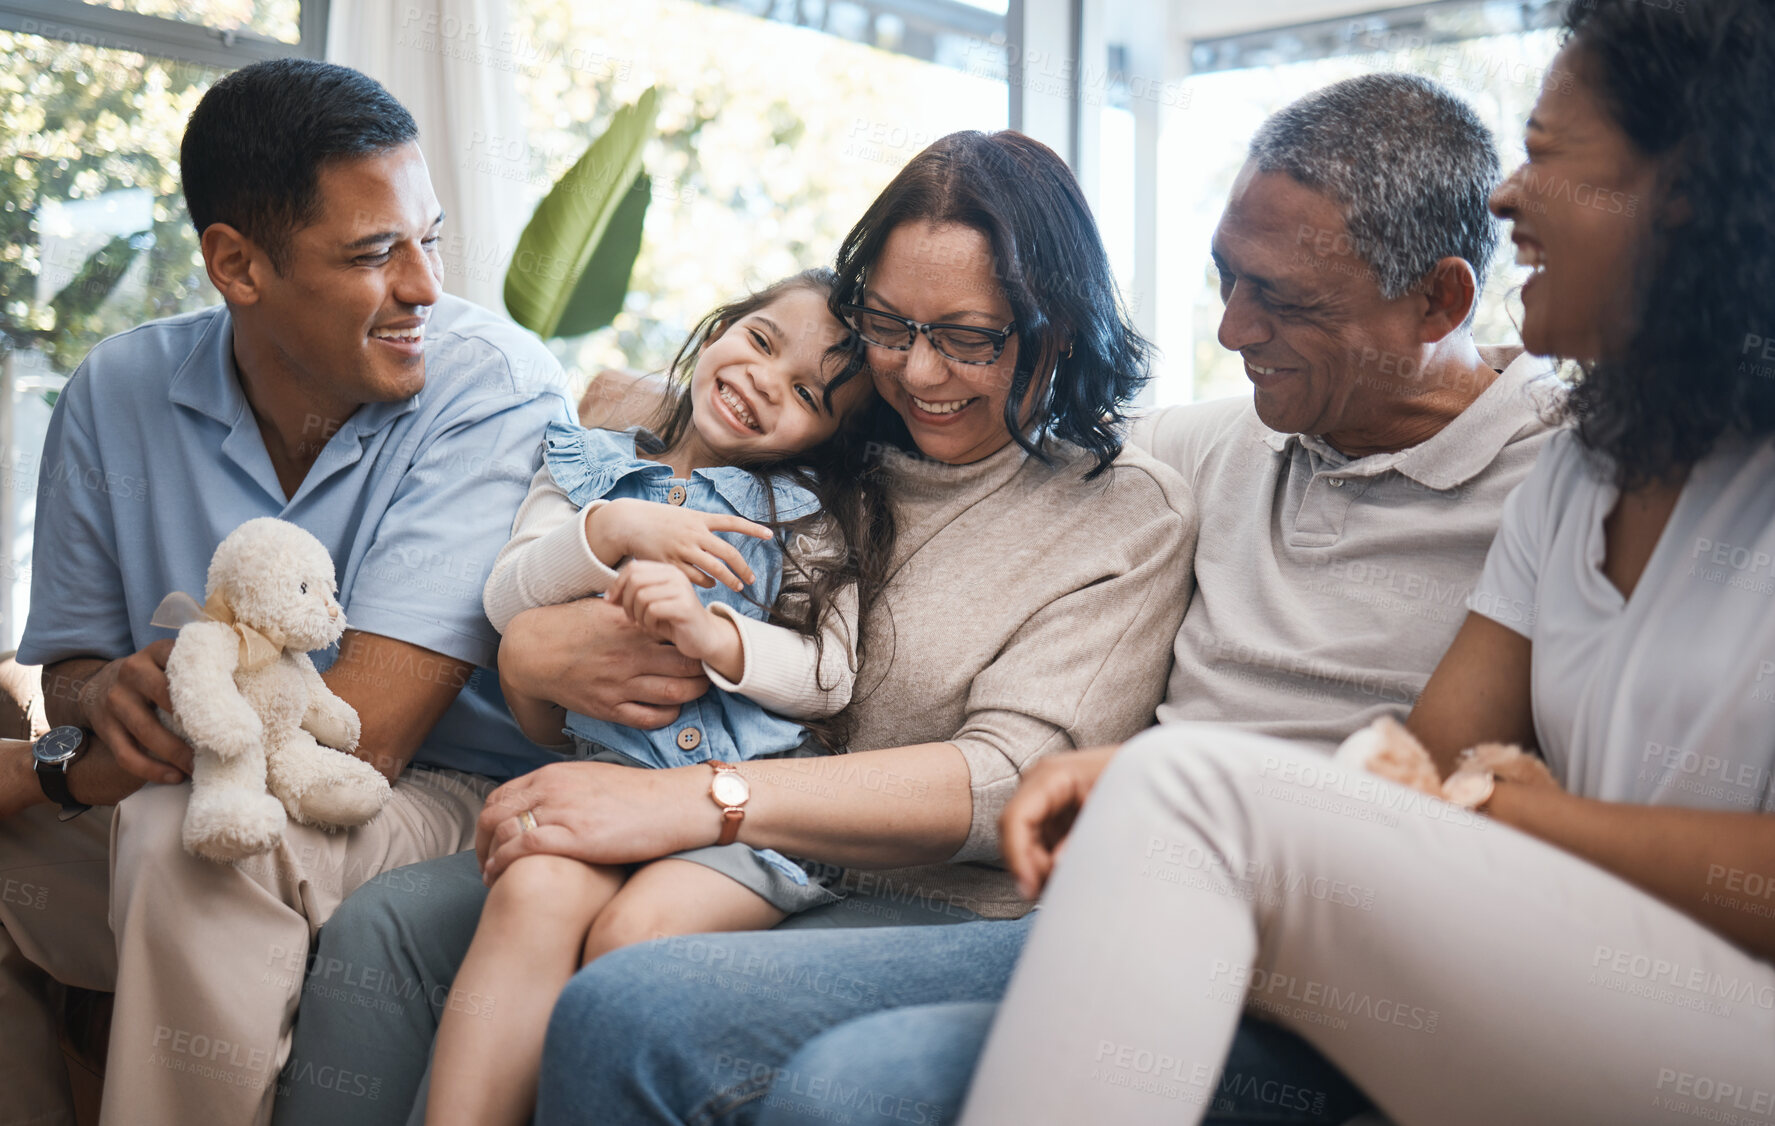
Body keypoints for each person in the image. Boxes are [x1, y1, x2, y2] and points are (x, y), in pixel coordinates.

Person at [536, 75, 1562, 1126]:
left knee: (831, 1085)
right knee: (596, 992)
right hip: (1127, 895)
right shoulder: (1243, 430)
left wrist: (712, 797)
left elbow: (1067, 528)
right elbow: (954, 443)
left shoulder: (1565, 476)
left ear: (1440, 300)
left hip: (1303, 947)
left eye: (1282, 299)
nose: (1231, 328)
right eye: (1223, 278)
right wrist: (621, 447)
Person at [272, 129, 1197, 1126]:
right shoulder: (819, 446)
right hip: (689, 823)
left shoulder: (1122, 511)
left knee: (636, 965)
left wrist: (703, 800)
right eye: (887, 325)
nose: (918, 371)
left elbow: (1007, 781)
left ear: (1055, 326)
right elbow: (587, 650)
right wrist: (534, 657)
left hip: (926, 897)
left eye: (966, 337)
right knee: (386, 927)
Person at [961, 1, 1775, 1122]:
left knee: (1186, 788)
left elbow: (1448, 797)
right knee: (1176, 794)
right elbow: (1419, 767)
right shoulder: (1590, 462)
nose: (1505, 196)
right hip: (1581, 969)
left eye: (1544, 154)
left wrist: (1516, 815)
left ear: (1689, 194)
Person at [0, 59, 574, 1126]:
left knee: (192, 838)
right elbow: (70, 672)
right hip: (200, 761)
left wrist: (140, 746)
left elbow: (365, 734)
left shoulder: (490, 385)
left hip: (436, 799)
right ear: (237, 265)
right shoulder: (115, 391)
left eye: (428, 238)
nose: (423, 288)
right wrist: (103, 702)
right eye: (372, 254)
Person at [426, 268, 881, 1126]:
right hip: (606, 791)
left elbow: (830, 676)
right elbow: (506, 601)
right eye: (759, 340)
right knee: (530, 893)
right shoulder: (586, 467)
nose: (761, 382)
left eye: (807, 394)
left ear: (827, 435)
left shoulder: (810, 517)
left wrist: (717, 636)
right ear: (719, 328)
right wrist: (606, 531)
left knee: (637, 935)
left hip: (744, 827)